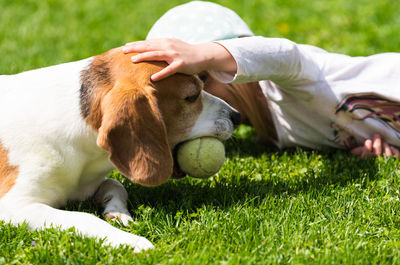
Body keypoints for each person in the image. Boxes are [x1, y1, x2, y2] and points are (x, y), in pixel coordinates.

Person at [122, 1, 400, 158]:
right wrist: (368, 149)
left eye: (204, 77)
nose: (199, 98)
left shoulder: (286, 80)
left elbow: (284, 55)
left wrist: (203, 53)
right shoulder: (272, 135)